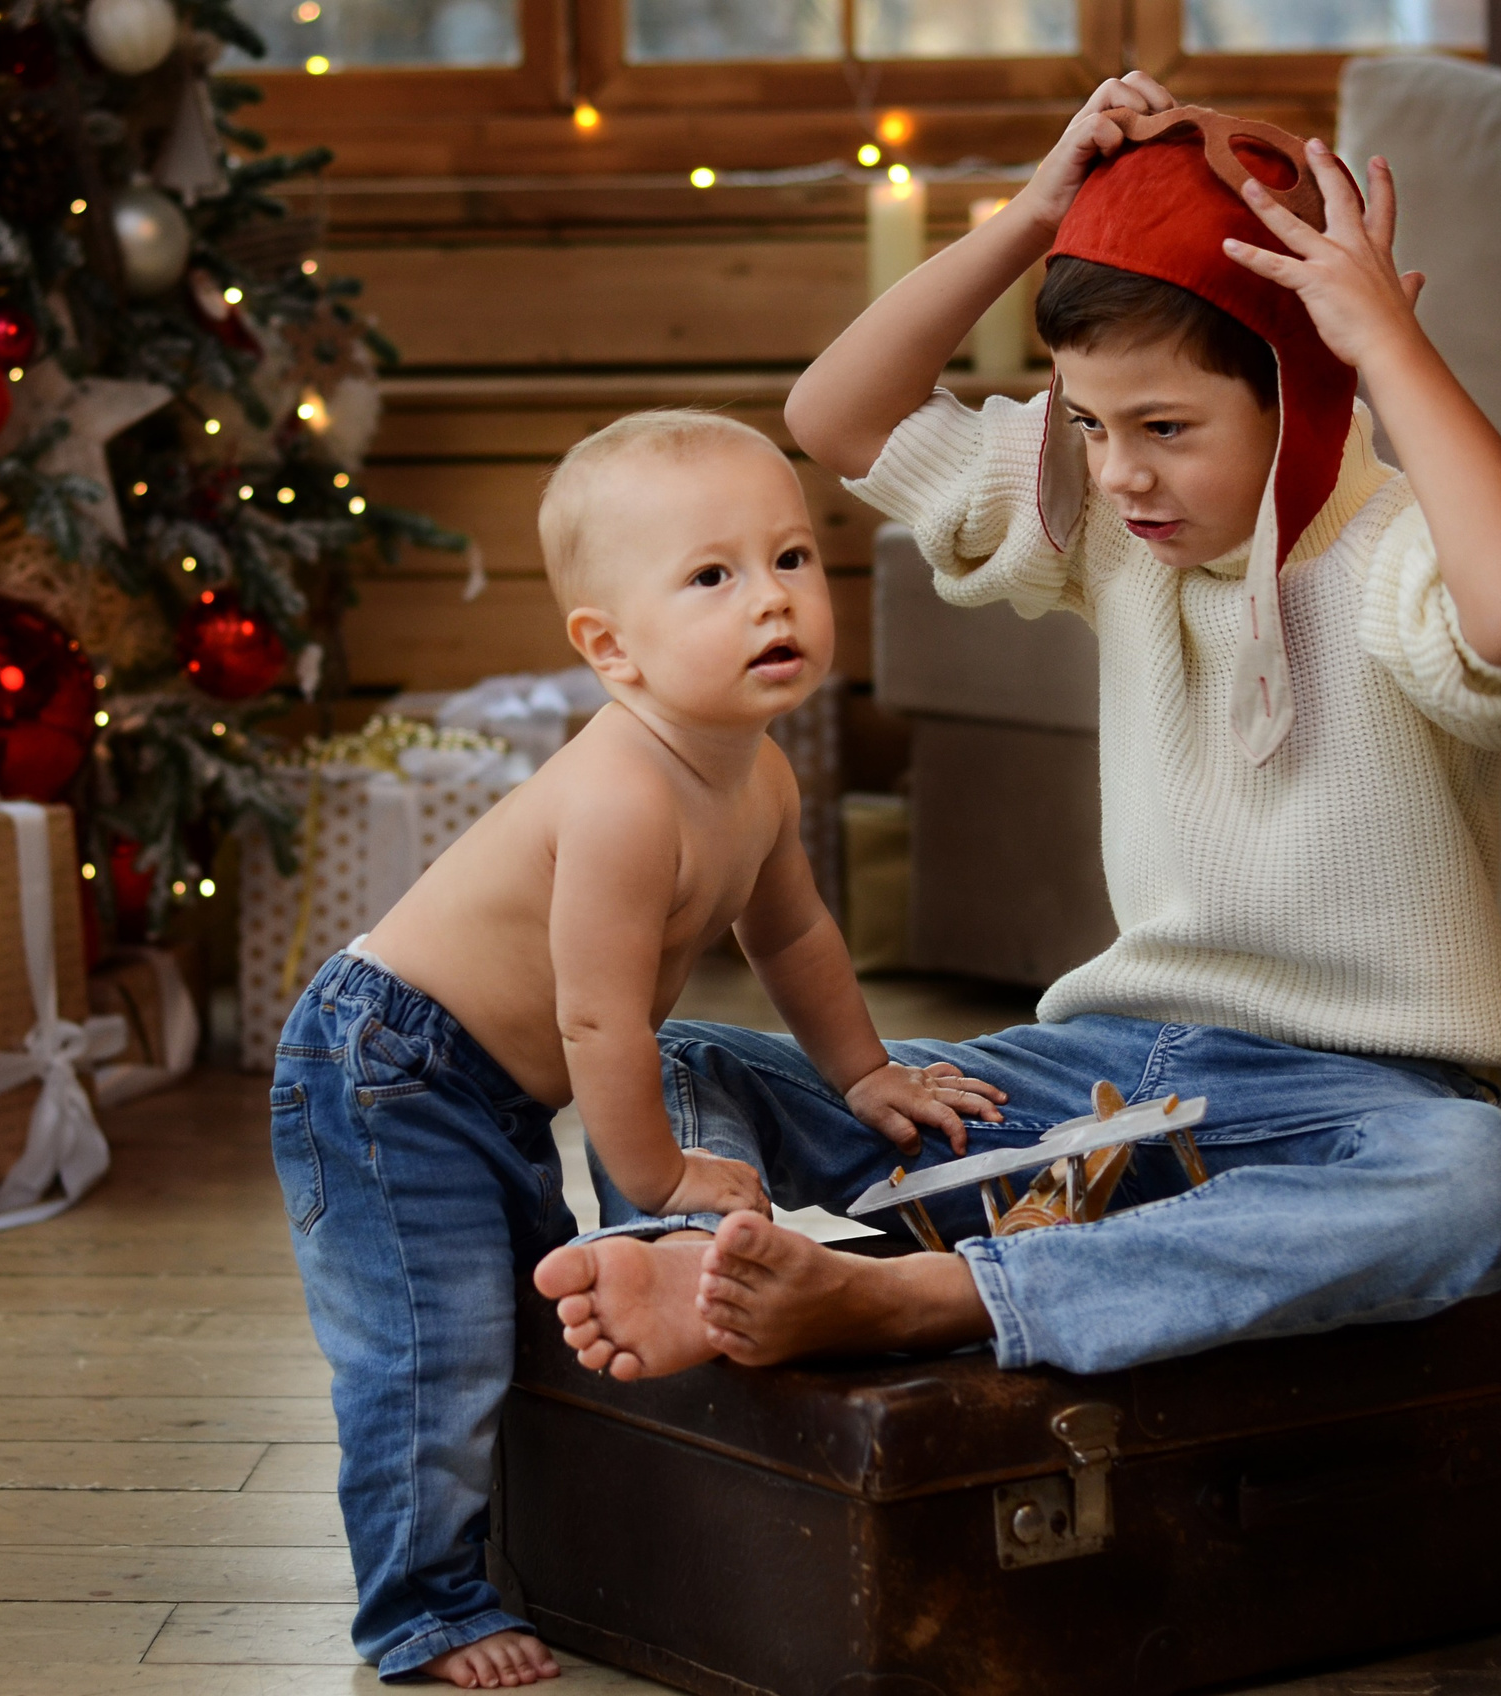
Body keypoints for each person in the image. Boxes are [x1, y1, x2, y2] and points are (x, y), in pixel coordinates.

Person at [529, 72, 1501, 1386]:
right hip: (1097, 1079)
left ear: (1305, 386)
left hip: (1360, 1100)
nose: (1119, 470)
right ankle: (705, 1263)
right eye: (1088, 424)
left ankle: (940, 1294)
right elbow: (835, 419)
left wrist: (1384, 343)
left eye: (1166, 428)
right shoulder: (1109, 523)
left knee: (1481, 1184)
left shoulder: (1401, 557)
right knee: (690, 1064)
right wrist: (1034, 217)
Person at [269, 409, 1003, 1688]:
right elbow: (599, 1019)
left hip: (480, 1083)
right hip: (385, 1069)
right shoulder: (620, 795)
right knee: (430, 1346)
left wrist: (864, 1072)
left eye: (790, 557)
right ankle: (418, 1609)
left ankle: (522, 1546)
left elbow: (795, 937)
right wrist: (659, 1176)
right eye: (712, 576)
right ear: (612, 648)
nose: (770, 597)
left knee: (527, 1316)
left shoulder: (757, 774)